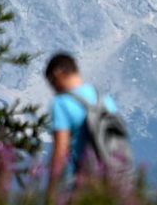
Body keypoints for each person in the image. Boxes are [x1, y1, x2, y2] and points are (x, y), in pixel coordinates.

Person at [43, 52, 132, 196]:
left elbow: (61, 150)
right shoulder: (104, 100)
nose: (54, 89)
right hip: (113, 180)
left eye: (52, 82)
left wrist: (52, 191)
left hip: (80, 184)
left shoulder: (62, 103)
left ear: (58, 74)